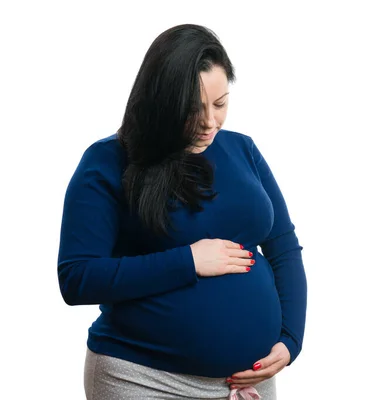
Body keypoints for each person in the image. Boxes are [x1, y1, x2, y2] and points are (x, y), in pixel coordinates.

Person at [57, 24, 307, 400]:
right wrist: (187, 261)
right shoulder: (107, 161)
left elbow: (283, 248)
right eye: (193, 109)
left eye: (220, 104)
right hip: (142, 378)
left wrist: (290, 339)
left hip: (246, 381)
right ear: (161, 101)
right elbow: (77, 277)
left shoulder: (243, 151)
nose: (210, 122)